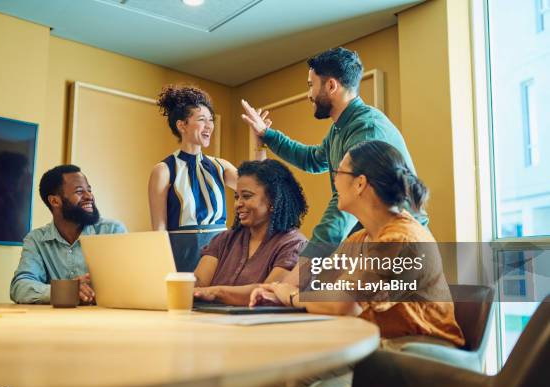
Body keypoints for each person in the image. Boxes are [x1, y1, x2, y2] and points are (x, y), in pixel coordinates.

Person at [251, 141, 464, 348]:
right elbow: (320, 289)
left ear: (360, 183)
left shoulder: (400, 239)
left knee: (294, 373)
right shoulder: (361, 239)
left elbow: (341, 303)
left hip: (421, 353)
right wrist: (275, 293)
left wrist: (288, 295)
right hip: (381, 345)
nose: (334, 180)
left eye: (339, 172)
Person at [241, 47, 427, 261]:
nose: (309, 95)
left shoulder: (367, 129)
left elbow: (346, 201)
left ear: (330, 86)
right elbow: (312, 159)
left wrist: (310, 259)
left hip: (400, 246)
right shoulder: (339, 129)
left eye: (311, 85)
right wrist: (267, 134)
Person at [149, 85, 270, 272]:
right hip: (182, 257)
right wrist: (163, 272)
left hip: (222, 255)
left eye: (211, 120)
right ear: (182, 125)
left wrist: (260, 143)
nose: (209, 126)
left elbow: (259, 185)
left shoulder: (220, 166)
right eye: (202, 120)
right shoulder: (163, 170)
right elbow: (159, 230)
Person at [193, 159, 308, 306]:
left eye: (246, 196)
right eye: (236, 197)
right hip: (209, 323)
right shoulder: (224, 239)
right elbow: (199, 282)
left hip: (260, 327)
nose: (238, 204)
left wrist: (214, 292)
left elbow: (267, 293)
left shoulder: (294, 244)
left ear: (273, 202)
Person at [10, 165, 126, 304]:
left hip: (107, 322)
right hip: (56, 323)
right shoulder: (36, 240)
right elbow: (20, 288)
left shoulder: (112, 231)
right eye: (79, 191)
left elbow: (129, 283)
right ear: (54, 201)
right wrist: (65, 290)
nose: (89, 196)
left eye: (89, 190)